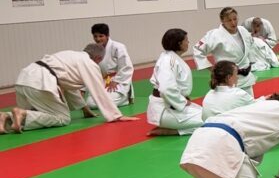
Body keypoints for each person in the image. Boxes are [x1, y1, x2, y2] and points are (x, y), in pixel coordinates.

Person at [3, 45, 135, 133]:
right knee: (62, 118)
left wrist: (85, 109)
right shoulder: (89, 63)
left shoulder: (69, 55)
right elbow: (99, 91)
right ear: (98, 58)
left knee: (37, 112)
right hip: (40, 82)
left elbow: (70, 87)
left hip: (23, 79)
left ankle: (5, 117)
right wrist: (116, 115)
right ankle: (22, 113)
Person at [146, 29, 204, 137]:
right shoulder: (168, 60)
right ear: (179, 43)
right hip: (167, 108)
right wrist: (181, 101)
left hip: (172, 104)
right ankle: (171, 131)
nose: (188, 42)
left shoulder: (171, 57)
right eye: (186, 40)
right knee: (211, 122)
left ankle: (171, 126)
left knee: (209, 114)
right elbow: (166, 89)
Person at [193, 7, 256, 96]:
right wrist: (211, 68)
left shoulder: (243, 30)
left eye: (235, 19)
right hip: (227, 80)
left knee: (250, 105)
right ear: (222, 21)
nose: (233, 23)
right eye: (229, 20)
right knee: (232, 107)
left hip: (246, 77)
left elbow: (251, 45)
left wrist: (252, 62)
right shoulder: (214, 35)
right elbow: (197, 49)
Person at [85, 23, 134, 109]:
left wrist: (116, 80)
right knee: (89, 103)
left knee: (98, 104)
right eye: (95, 36)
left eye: (101, 36)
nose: (98, 39)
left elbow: (126, 67)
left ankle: (125, 97)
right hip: (103, 81)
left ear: (107, 35)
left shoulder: (118, 47)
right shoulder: (94, 49)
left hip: (117, 82)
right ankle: (118, 100)